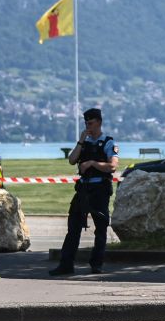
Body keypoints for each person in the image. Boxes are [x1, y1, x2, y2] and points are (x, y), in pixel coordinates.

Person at [49, 107, 118, 276]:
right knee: (73, 228)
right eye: (86, 123)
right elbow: (72, 160)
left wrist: (93, 163)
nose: (88, 126)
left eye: (91, 123)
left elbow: (113, 166)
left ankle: (96, 264)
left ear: (99, 122)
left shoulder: (109, 143)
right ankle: (66, 264)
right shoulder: (84, 142)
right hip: (84, 189)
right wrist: (81, 141)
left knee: (100, 228)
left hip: (100, 189)